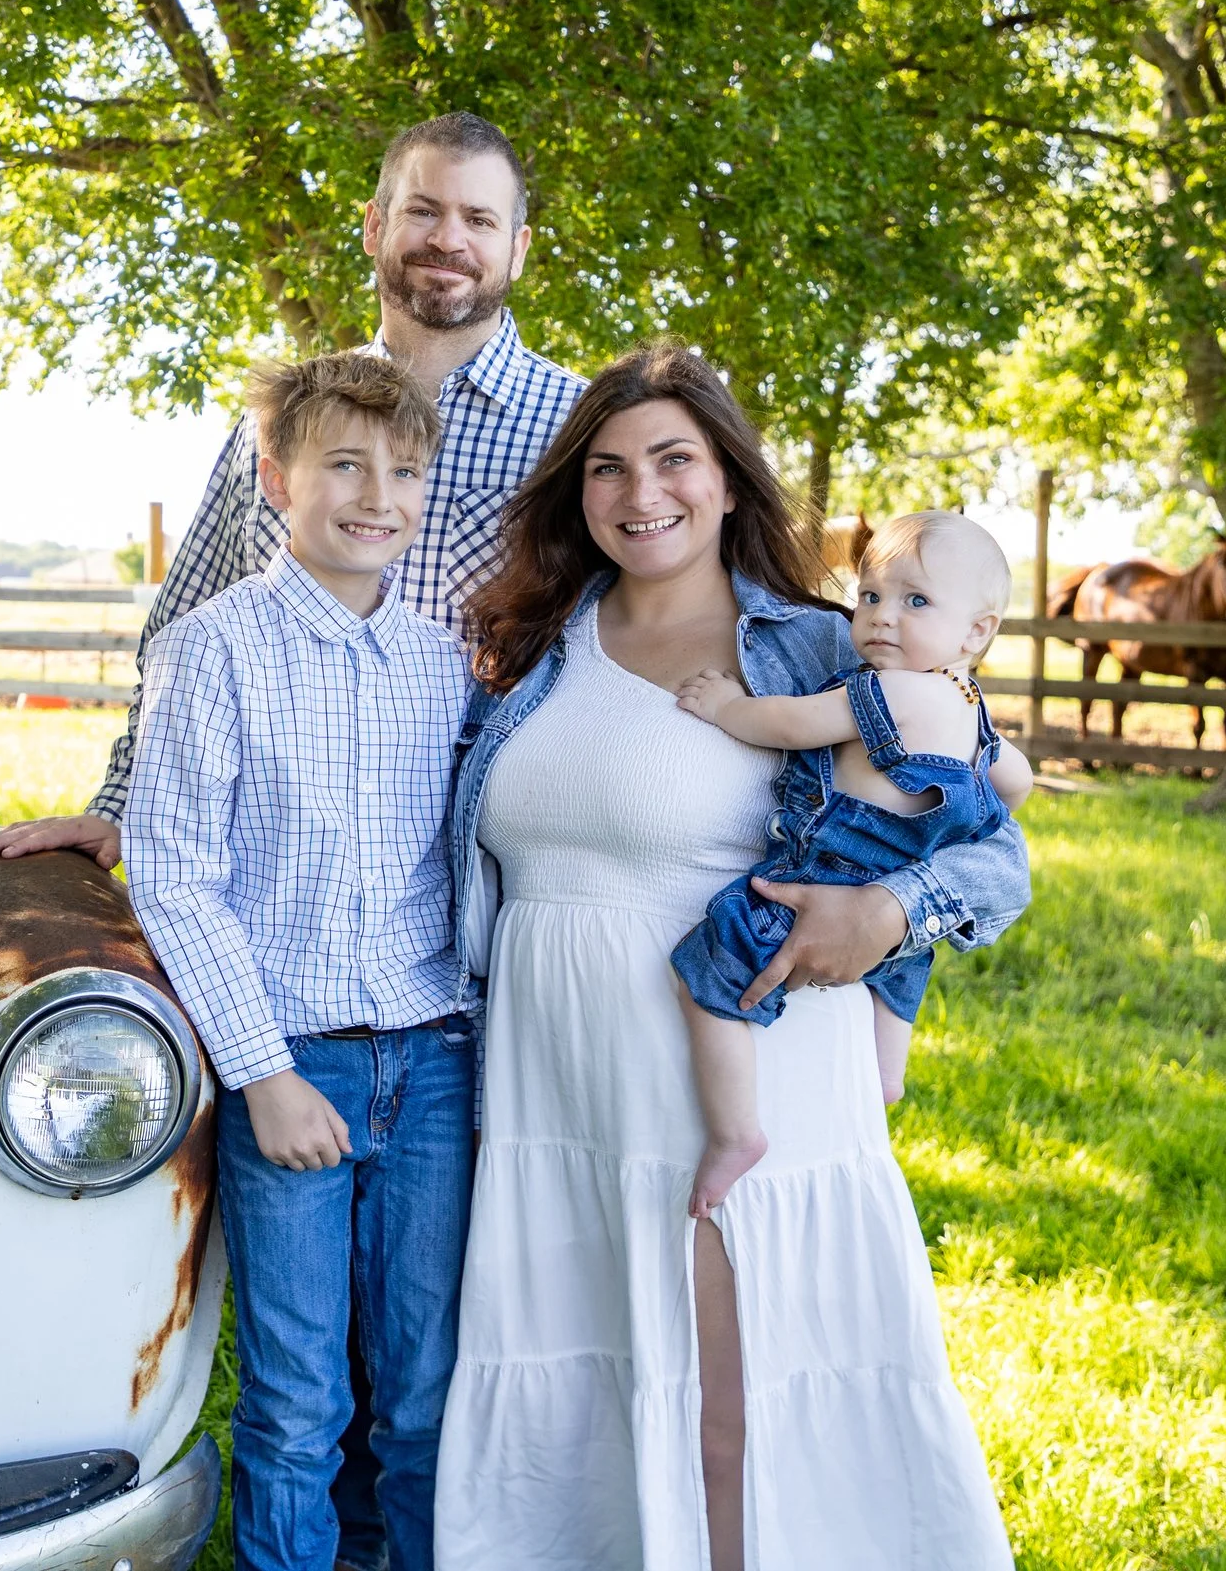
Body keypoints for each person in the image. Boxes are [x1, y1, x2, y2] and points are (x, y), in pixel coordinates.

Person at [0, 109, 578, 1571]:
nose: (448, 241)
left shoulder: (568, 429)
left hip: (453, 973)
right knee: (302, 1388)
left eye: (480, 220)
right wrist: (125, 803)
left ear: (514, 248)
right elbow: (182, 618)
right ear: (377, 228)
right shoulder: (280, 435)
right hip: (297, 994)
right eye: (423, 211)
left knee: (425, 1375)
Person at [436, 344, 1023, 1570]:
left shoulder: (816, 646)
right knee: (580, 1391)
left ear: (724, 477)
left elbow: (992, 843)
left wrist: (893, 914)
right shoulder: (530, 644)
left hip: (735, 1067)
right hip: (551, 1079)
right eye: (606, 467)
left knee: (729, 1398)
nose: (638, 490)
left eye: (671, 459)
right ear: (576, 492)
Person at [125, 351, 474, 1571]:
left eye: (403, 470)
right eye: (342, 464)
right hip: (294, 1063)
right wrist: (264, 1074)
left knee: (425, 1396)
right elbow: (173, 873)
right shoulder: (214, 650)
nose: (376, 493)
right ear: (274, 478)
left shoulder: (439, 663)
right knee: (294, 1401)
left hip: (432, 1064)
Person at [669, 509, 1037, 1209]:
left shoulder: (886, 690)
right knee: (889, 1022)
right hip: (900, 926)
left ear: (978, 631)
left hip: (824, 883)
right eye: (869, 596)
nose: (881, 618)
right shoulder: (972, 710)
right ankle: (885, 1078)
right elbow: (1013, 782)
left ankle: (734, 1131)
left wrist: (724, 705)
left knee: (708, 972)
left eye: (914, 601)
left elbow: (789, 723)